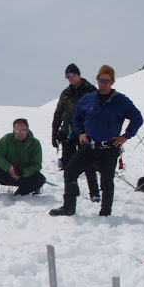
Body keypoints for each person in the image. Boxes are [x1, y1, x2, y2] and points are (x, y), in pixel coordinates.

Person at [50, 65, 143, 217]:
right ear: (97, 80)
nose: (103, 83)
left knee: (106, 181)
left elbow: (137, 118)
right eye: (101, 80)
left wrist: (126, 136)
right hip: (89, 146)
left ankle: (105, 212)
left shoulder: (120, 101)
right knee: (70, 171)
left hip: (109, 148)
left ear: (112, 81)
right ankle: (68, 207)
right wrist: (80, 133)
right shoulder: (88, 99)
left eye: (107, 80)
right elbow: (76, 117)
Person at [52, 63, 100, 201]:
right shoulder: (66, 93)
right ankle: (73, 190)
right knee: (68, 162)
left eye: (71, 75)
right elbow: (58, 112)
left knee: (88, 163)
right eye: (67, 76)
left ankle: (94, 192)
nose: (69, 78)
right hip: (67, 131)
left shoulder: (90, 91)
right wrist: (55, 131)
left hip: (86, 131)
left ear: (78, 74)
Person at [0, 118, 46, 203]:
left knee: (39, 179)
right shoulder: (7, 139)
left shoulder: (35, 144)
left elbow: (37, 165)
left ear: (27, 131)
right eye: (17, 131)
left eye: (22, 131)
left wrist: (24, 172)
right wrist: (9, 168)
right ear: (13, 130)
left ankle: (20, 193)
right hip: (5, 173)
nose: (19, 134)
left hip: (23, 176)